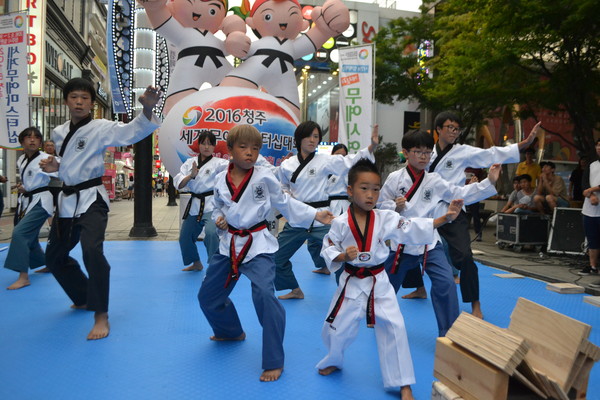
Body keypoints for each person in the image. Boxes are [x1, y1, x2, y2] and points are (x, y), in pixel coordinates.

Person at [316, 159, 463, 399]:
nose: (371, 194)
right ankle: (335, 359)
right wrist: (342, 255)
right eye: (364, 188)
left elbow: (412, 227)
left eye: (376, 189)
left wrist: (444, 218)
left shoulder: (385, 217)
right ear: (350, 191)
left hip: (378, 281)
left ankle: (403, 382)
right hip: (351, 282)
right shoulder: (340, 222)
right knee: (335, 328)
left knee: (395, 327)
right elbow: (328, 247)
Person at [197, 124, 333, 382]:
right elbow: (217, 207)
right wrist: (219, 219)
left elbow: (285, 203)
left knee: (264, 297)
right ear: (230, 150)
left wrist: (315, 213)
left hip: (258, 245)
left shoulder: (264, 177)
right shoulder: (219, 179)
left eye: (255, 148)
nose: (250, 153)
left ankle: (273, 360)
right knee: (207, 296)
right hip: (229, 246)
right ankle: (231, 330)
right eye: (243, 147)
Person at [39, 77, 161, 340]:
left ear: (93, 103)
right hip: (67, 201)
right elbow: (69, 160)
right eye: (74, 97)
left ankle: (100, 314)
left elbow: (131, 131)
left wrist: (147, 109)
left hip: (92, 199)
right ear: (66, 101)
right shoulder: (59, 132)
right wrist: (55, 166)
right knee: (53, 258)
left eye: (85, 97)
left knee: (91, 250)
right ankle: (83, 296)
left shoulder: (101, 127)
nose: (79, 102)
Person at [379, 130, 501, 336]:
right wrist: (393, 206)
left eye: (427, 152)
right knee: (386, 287)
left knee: (446, 284)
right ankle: (381, 321)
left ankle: (448, 333)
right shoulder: (394, 178)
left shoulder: (434, 180)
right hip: (402, 243)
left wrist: (489, 182)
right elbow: (380, 206)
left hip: (428, 242)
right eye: (418, 152)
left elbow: (460, 193)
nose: (424, 156)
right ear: (406, 153)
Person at [425, 111, 540, 319]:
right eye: (449, 127)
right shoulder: (426, 151)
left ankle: (475, 303)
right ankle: (415, 287)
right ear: (438, 129)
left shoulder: (462, 151)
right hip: (426, 210)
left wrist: (523, 143)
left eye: (457, 128)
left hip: (452, 209)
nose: (453, 131)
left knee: (466, 258)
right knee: (406, 250)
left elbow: (491, 154)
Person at [274, 121, 377, 299]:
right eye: (309, 136)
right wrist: (288, 199)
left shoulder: (325, 160)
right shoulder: (288, 164)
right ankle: (294, 289)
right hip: (298, 218)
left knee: (341, 255)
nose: (313, 140)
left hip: (323, 217)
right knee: (276, 258)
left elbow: (349, 161)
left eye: (316, 137)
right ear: (299, 138)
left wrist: (372, 146)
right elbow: (283, 186)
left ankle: (347, 293)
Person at [3, 128, 55, 289]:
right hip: (26, 200)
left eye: (36, 137)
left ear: (40, 142)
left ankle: (23, 276)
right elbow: (29, 181)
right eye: (28, 137)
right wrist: (23, 187)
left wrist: (56, 166)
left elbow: (62, 172)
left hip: (41, 201)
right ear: (22, 141)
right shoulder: (21, 161)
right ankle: (48, 263)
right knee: (30, 236)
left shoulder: (47, 158)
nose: (32, 140)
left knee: (20, 233)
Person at [174, 130, 228, 272]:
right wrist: (191, 176)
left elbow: (235, 168)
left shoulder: (220, 163)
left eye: (210, 144)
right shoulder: (189, 163)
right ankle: (196, 263)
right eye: (203, 143)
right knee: (184, 237)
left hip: (211, 205)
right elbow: (179, 183)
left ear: (214, 147)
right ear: (198, 145)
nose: (206, 147)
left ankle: (214, 266)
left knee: (211, 233)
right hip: (195, 205)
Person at [579, 140, 600, 278]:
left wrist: (591, 190)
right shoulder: (592, 165)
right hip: (589, 209)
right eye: (598, 145)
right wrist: (591, 194)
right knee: (592, 239)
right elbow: (584, 183)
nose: (599, 148)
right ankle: (592, 265)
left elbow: (589, 187)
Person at [326, 143, 350, 217]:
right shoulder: (325, 168)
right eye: (337, 155)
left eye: (343, 156)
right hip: (329, 205)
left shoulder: (350, 170)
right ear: (332, 154)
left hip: (347, 204)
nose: (340, 158)